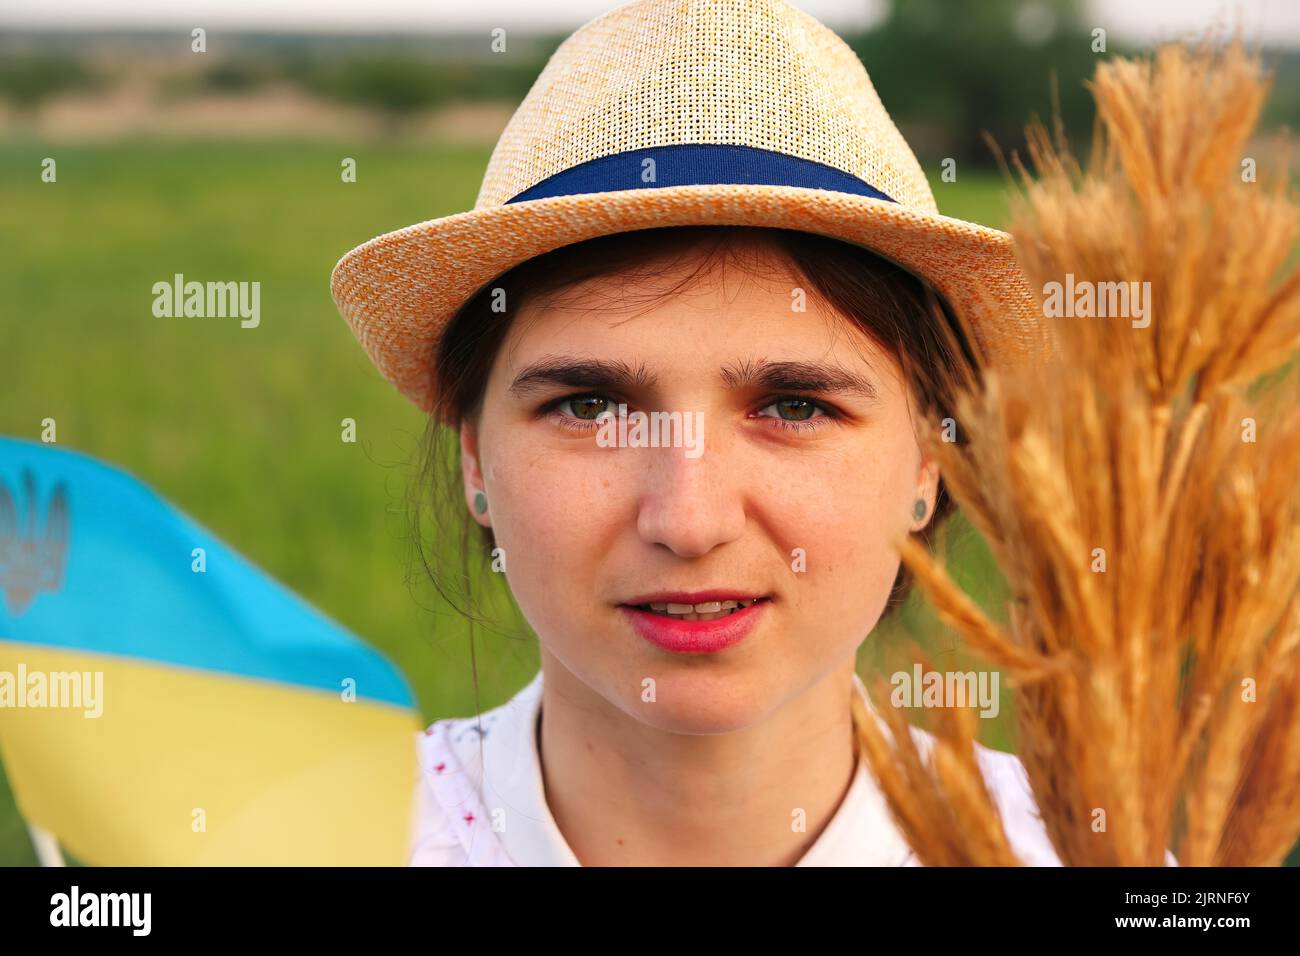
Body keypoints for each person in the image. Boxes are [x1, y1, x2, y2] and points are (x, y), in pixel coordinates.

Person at [331, 0, 1055, 866]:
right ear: (476, 457)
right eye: (590, 407)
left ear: (931, 461)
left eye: (795, 407)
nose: (689, 519)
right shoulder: (291, 841)